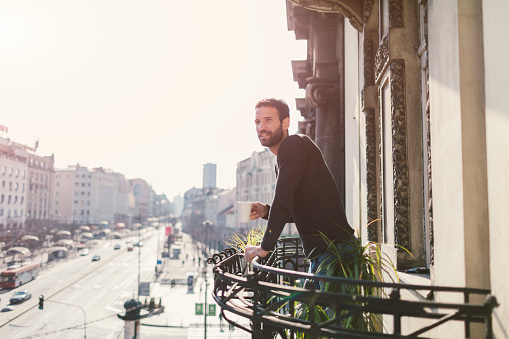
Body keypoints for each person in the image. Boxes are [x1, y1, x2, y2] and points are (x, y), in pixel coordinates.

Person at [244, 98, 355, 274]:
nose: (261, 127)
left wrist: (264, 247)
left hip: (334, 253)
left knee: (325, 303)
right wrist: (265, 211)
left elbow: (283, 200)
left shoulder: (293, 145)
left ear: (285, 123)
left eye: (268, 120)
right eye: (258, 122)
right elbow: (298, 211)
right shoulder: (283, 159)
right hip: (327, 254)